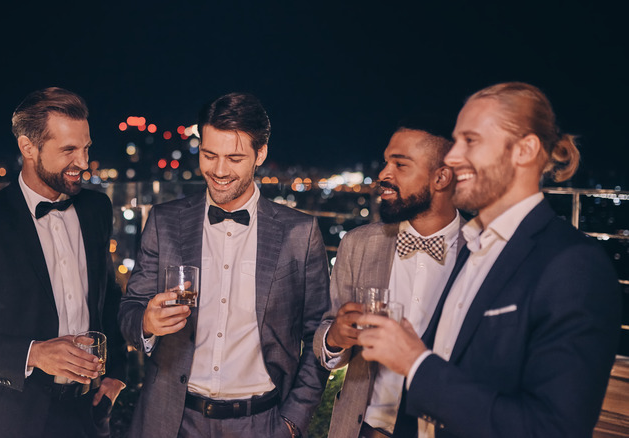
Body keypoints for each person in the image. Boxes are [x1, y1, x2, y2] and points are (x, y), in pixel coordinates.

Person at [356, 82, 621, 437]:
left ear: (524, 150)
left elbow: (554, 429)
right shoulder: (472, 247)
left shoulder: (575, 264)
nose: (451, 157)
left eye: (471, 141)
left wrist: (415, 362)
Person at [0, 87, 127, 438]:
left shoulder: (97, 209)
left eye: (86, 147)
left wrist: (117, 373)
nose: (83, 162)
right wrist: (33, 355)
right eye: (69, 150)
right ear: (28, 148)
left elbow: (108, 299)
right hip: (6, 419)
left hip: (86, 415)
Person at [119, 92, 330, 438]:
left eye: (234, 158)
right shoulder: (164, 221)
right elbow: (129, 310)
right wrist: (146, 321)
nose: (218, 170)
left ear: (260, 153)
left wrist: (292, 421)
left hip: (262, 423)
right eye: (208, 155)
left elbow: (320, 333)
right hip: (173, 420)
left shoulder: (300, 233)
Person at [314, 122, 465, 438]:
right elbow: (326, 339)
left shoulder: (480, 253)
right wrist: (336, 337)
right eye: (386, 162)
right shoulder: (358, 244)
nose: (384, 173)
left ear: (441, 177)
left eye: (400, 164)